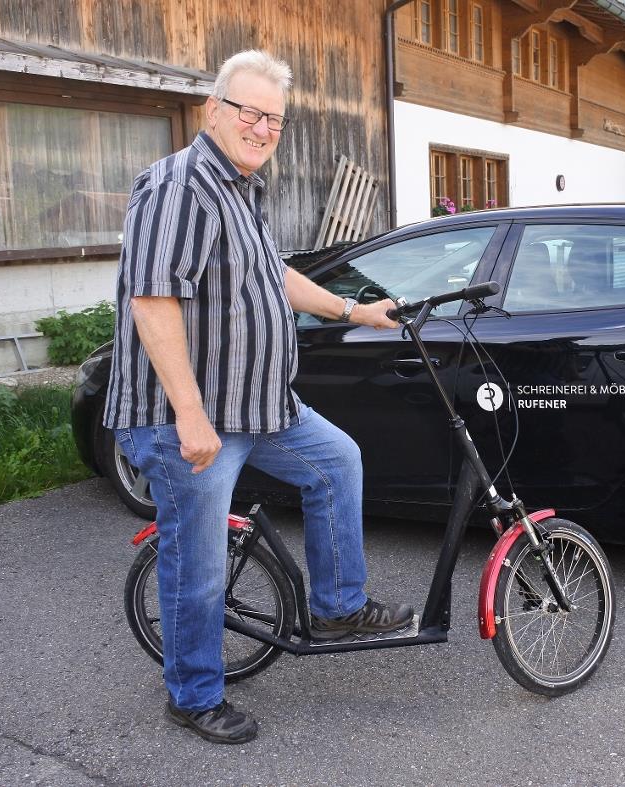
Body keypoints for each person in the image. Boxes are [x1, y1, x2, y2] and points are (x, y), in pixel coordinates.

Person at [103, 50, 412, 745]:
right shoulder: (179, 186)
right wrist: (188, 414)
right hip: (189, 417)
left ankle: (337, 606)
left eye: (273, 117)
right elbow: (152, 303)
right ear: (212, 110)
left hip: (255, 403)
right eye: (249, 111)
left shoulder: (242, 188)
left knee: (338, 461)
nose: (262, 126)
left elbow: (274, 273)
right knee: (199, 558)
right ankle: (192, 694)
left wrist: (353, 311)